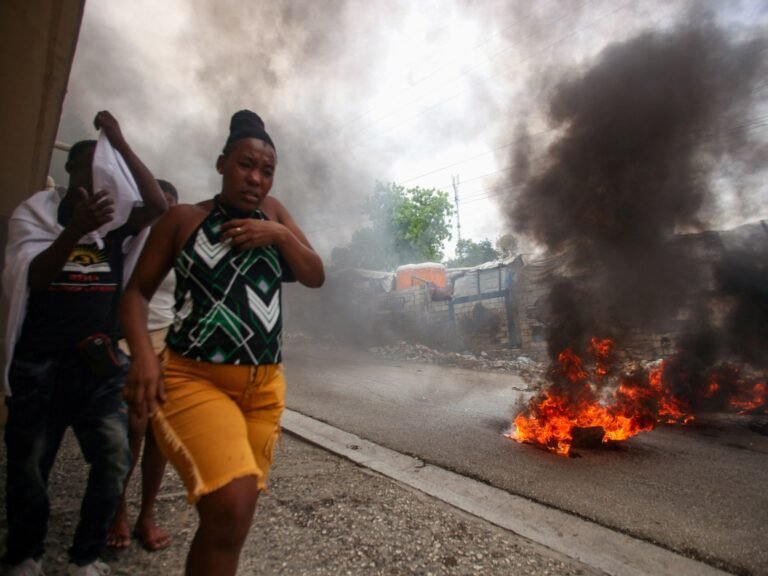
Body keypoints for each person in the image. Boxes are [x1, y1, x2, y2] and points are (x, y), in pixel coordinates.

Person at [120, 110, 324, 576]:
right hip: (193, 381)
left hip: (264, 392)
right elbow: (134, 295)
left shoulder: (274, 215)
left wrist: (276, 234)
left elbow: (314, 274)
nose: (256, 178)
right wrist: (145, 360)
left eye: (266, 170)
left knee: (227, 525)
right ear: (221, 164)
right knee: (230, 509)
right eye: (245, 164)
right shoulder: (181, 220)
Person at [2, 111, 168, 576]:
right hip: (40, 365)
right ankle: (24, 554)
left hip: (97, 365)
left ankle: (86, 556)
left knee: (114, 456)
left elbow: (156, 204)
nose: (100, 179)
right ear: (72, 170)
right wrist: (73, 230)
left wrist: (119, 139)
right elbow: (32, 277)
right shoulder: (35, 215)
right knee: (30, 464)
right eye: (92, 168)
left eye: (106, 169)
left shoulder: (113, 225)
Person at [107, 179, 179, 552]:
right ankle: (117, 511)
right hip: (131, 340)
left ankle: (146, 515)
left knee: (161, 436)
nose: (162, 213)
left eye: (170, 206)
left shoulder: (181, 245)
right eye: (158, 204)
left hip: (169, 339)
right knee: (131, 430)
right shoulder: (130, 242)